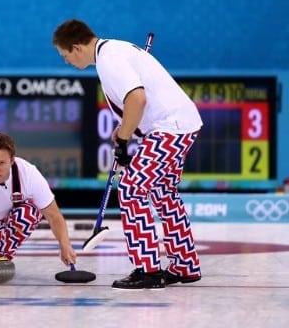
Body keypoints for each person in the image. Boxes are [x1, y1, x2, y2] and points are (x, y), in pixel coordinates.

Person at [52, 19, 202, 289]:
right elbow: (137, 102)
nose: (67, 62)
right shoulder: (114, 50)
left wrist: (123, 137)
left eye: (65, 56)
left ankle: (148, 270)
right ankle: (185, 265)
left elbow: (137, 98)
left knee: (131, 188)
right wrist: (125, 129)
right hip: (181, 124)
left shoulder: (108, 59)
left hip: (168, 128)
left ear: (75, 48)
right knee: (164, 194)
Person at [0, 132, 77, 267]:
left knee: (30, 213)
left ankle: (1, 258)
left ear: (12, 160)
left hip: (14, 220)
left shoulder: (29, 173)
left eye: (2, 163)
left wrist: (65, 244)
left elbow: (54, 216)